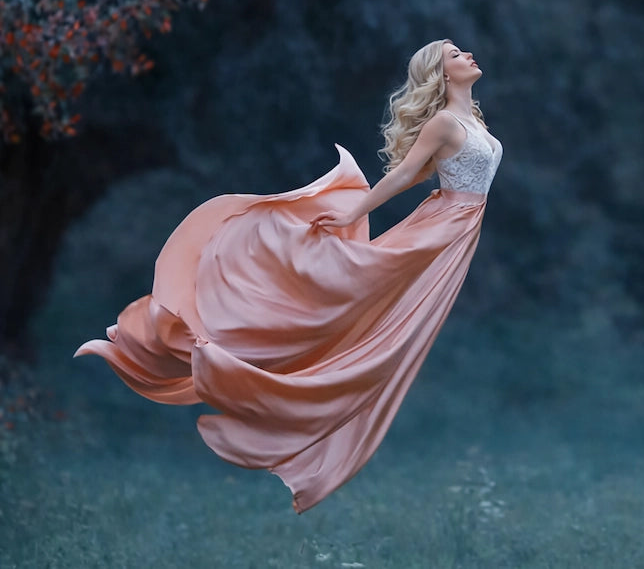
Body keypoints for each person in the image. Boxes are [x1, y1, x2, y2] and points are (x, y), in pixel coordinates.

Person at [75, 39, 502, 513]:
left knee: (389, 333)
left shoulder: (472, 121)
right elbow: (402, 176)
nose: (467, 55)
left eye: (463, 52)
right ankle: (211, 330)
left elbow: (442, 175)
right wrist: (351, 213)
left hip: (457, 234)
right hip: (440, 231)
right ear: (441, 76)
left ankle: (277, 365)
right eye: (455, 55)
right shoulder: (444, 122)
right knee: (363, 307)